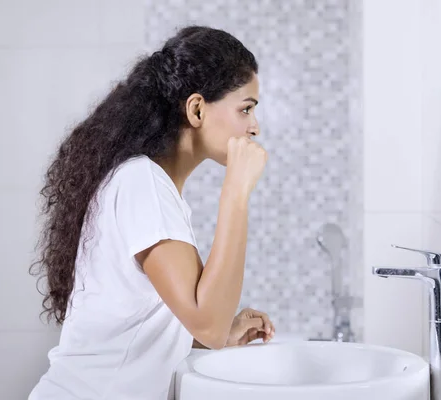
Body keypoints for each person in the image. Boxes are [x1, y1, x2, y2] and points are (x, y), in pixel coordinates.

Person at [28, 25, 274, 400]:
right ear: (196, 109)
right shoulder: (142, 184)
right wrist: (236, 193)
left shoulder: (148, 184)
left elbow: (162, 320)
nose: (254, 127)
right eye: (245, 109)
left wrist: (222, 333)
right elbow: (207, 320)